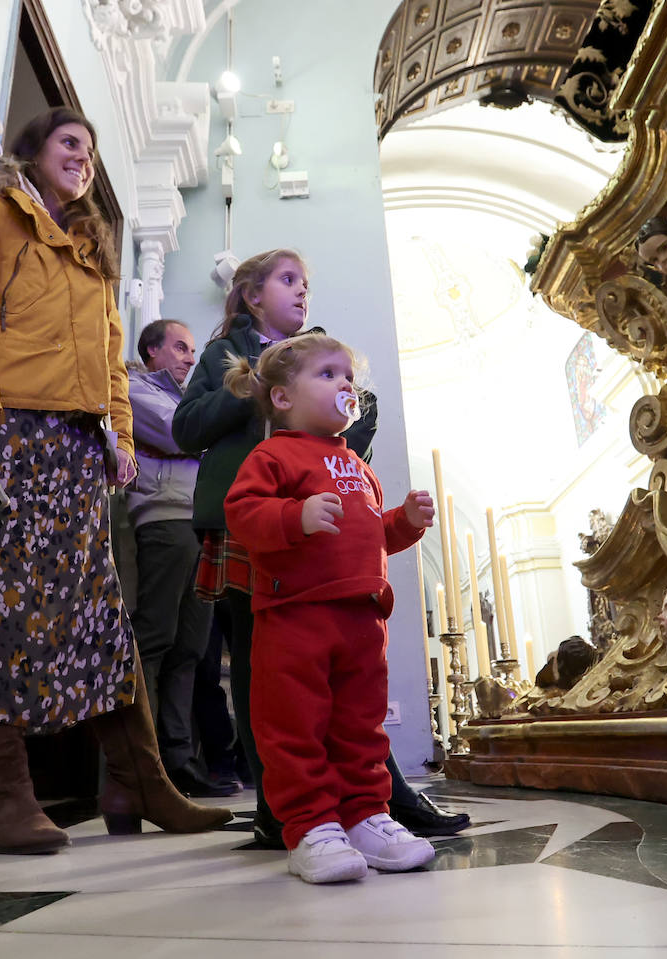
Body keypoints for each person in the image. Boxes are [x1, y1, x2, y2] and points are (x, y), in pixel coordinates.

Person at [0, 107, 232, 855]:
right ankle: (1, 789)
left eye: (90, 151)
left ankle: (140, 780)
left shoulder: (93, 253)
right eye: (69, 144)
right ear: (31, 151)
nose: (83, 159)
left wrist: (119, 435)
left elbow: (112, 360)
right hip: (7, 433)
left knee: (98, 618)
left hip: (78, 450)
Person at [171, 249, 470, 847]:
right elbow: (187, 428)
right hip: (248, 524)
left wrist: (328, 435)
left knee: (347, 683)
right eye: (287, 281)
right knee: (266, 677)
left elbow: (358, 419)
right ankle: (280, 810)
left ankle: (378, 799)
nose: (302, 291)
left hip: (320, 527)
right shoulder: (223, 352)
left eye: (306, 283)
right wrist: (257, 383)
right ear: (252, 295)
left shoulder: (319, 353)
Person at [223, 332, 437, 882]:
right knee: (295, 726)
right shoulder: (272, 455)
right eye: (328, 374)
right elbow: (243, 515)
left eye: (349, 377)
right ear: (282, 398)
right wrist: (294, 518)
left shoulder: (357, 465)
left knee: (361, 727)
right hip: (295, 617)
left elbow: (372, 534)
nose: (346, 384)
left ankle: (367, 814)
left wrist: (404, 523)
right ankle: (311, 826)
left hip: (362, 619)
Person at [126, 319, 237, 797]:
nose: (190, 358)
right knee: (156, 638)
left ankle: (181, 761)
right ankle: (144, 763)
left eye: (193, 350)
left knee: (191, 648)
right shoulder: (133, 387)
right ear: (151, 351)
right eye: (179, 347)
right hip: (166, 519)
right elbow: (179, 436)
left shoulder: (190, 401)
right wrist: (215, 438)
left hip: (200, 522)